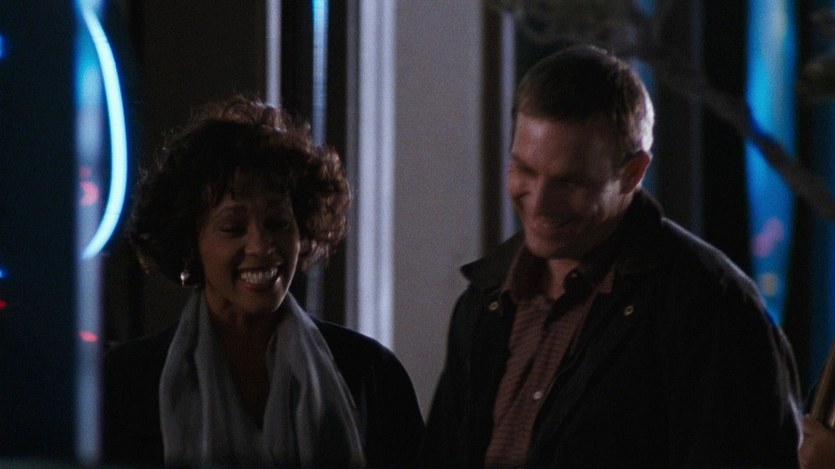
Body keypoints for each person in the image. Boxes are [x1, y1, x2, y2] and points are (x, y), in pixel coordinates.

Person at [420, 45, 801, 468]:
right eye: (524, 170)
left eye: (569, 182)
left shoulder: (708, 305)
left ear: (633, 173)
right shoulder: (484, 303)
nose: (540, 203)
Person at [102, 95, 424, 467]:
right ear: (190, 243)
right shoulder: (125, 384)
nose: (261, 246)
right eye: (233, 228)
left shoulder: (370, 375)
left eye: (278, 223)